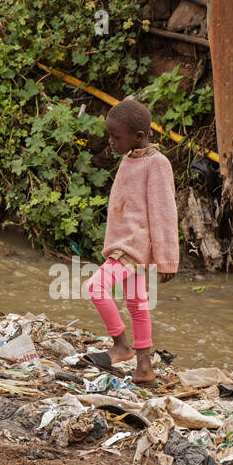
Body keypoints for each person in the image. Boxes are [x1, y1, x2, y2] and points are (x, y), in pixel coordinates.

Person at [84, 97, 179, 385]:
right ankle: (144, 367)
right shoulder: (130, 159)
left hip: (134, 246)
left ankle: (121, 345)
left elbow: (164, 213)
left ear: (138, 136)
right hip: (122, 243)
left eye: (116, 136)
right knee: (137, 304)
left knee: (95, 288)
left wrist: (167, 259)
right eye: (110, 135)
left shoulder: (157, 163)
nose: (111, 142)